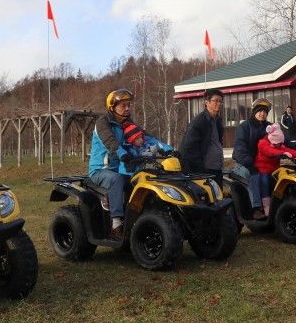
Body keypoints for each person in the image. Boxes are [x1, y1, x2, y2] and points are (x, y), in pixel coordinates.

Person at [89, 89, 171, 239]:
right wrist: (123, 154)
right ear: (112, 108)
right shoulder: (102, 123)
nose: (127, 109)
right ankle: (116, 225)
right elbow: (110, 143)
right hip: (101, 170)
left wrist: (168, 150)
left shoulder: (128, 123)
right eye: (123, 106)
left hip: (121, 167)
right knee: (116, 180)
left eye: (128, 105)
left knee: (145, 178)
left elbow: (147, 138)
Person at [231, 97, 272, 220]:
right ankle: (256, 209)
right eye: (260, 111)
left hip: (261, 164)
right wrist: (249, 164)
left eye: (265, 112)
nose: (262, 114)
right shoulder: (244, 127)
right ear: (254, 112)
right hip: (243, 165)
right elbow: (240, 148)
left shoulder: (270, 128)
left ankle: (273, 207)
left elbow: (283, 141)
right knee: (254, 176)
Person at [255, 123, 296, 217]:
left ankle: (282, 204)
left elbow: (287, 149)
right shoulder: (262, 143)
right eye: (278, 143)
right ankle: (267, 207)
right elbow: (270, 152)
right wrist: (283, 153)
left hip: (275, 169)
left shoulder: (278, 145)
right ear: (273, 140)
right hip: (263, 169)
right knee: (265, 183)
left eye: (281, 143)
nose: (280, 145)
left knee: (283, 183)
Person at [179, 89, 225, 184]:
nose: (219, 103)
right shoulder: (199, 121)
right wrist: (200, 168)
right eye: (215, 101)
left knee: (219, 197)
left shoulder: (218, 121)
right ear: (206, 102)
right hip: (204, 170)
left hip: (217, 167)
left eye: (220, 101)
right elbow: (189, 147)